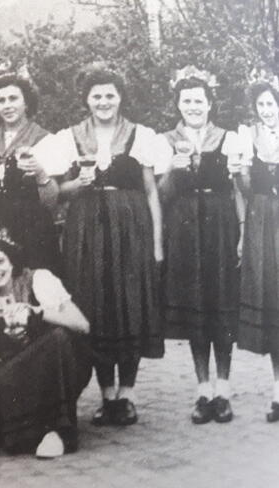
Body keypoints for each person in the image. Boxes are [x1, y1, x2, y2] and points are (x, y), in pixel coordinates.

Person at [52, 65, 164, 426]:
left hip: (131, 228)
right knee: (95, 306)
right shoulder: (70, 138)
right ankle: (106, 395)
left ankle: (126, 394)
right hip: (87, 230)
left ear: (120, 98)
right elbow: (57, 192)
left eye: (110, 95)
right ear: (86, 100)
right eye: (96, 95)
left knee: (129, 305)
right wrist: (78, 183)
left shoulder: (140, 136)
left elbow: (151, 192)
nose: (103, 102)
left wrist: (156, 244)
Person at [158, 66, 244, 424]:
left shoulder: (228, 138)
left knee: (220, 306)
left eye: (199, 101)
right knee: (195, 307)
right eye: (186, 101)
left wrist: (242, 231)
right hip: (184, 230)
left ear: (210, 104)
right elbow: (160, 195)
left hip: (220, 228)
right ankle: (203, 390)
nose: (193, 107)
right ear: (178, 105)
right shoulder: (164, 141)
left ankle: (223, 389)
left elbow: (238, 190)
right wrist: (172, 170)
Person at [0, 226, 91, 458]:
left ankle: (60, 432)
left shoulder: (38, 280)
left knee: (58, 337)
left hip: (59, 364)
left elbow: (82, 325)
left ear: (11, 262)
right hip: (18, 372)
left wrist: (37, 312)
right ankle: (32, 429)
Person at [0, 63, 60, 271]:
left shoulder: (44, 140)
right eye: (1, 100)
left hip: (33, 231)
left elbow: (51, 201)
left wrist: (40, 173)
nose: (7, 105)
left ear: (26, 103)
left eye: (13, 98)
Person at [236, 69, 279, 422]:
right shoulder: (247, 137)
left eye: (272, 103)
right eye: (262, 105)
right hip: (264, 223)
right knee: (274, 304)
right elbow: (247, 190)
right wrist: (241, 171)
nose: (267, 110)